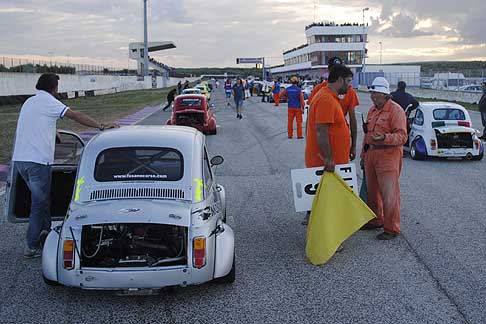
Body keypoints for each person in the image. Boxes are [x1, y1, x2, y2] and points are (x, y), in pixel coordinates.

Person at [12, 73, 119, 258]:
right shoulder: (49, 101)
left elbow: (36, 124)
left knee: (43, 199)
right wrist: (100, 126)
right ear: (54, 88)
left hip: (20, 160)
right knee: (38, 204)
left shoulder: (30, 102)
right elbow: (75, 115)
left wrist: (53, 134)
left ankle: (45, 233)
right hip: (37, 162)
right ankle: (31, 246)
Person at [360, 77, 407, 240]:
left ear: (385, 94)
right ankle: (376, 220)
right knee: (372, 192)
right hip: (371, 154)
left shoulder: (396, 111)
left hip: (388, 155)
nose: (373, 96)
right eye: (372, 93)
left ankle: (391, 228)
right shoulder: (372, 111)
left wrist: (385, 138)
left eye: (376, 93)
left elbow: (402, 136)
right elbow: (367, 135)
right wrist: (362, 155)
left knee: (389, 194)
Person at [307, 57, 360, 160]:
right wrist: (327, 157)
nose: (350, 85)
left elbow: (353, 119)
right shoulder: (324, 96)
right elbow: (319, 128)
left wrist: (353, 145)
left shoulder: (334, 94)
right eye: (348, 81)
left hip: (337, 156)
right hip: (326, 161)